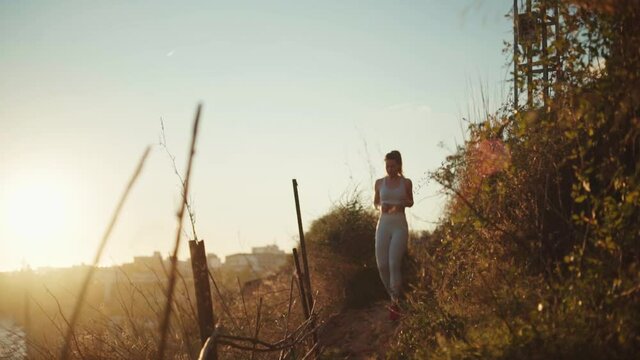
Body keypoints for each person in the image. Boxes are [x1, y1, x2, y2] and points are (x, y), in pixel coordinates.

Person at [373, 150, 413, 320]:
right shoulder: (379, 183)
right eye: (387, 166)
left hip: (399, 225)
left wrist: (400, 204)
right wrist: (381, 205)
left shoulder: (406, 182)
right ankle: (394, 296)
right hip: (383, 223)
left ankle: (394, 303)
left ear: (399, 165)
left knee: (393, 262)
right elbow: (375, 202)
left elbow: (411, 201)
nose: (390, 169)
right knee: (382, 265)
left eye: (393, 166)